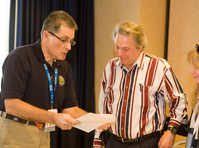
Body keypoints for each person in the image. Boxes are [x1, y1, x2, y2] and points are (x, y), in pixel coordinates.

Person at [0, 10, 91, 148]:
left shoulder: (64, 66)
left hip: (44, 132)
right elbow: (12, 105)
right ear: (46, 36)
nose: (68, 47)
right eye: (64, 40)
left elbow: (70, 109)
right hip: (15, 130)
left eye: (71, 41)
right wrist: (54, 118)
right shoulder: (20, 57)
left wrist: (94, 121)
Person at [93, 21, 188, 148]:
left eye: (125, 49)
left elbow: (179, 102)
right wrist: (97, 142)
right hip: (113, 142)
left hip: (146, 143)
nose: (119, 53)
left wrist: (171, 132)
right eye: (117, 47)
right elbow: (104, 108)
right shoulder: (110, 67)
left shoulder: (159, 67)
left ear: (140, 47)